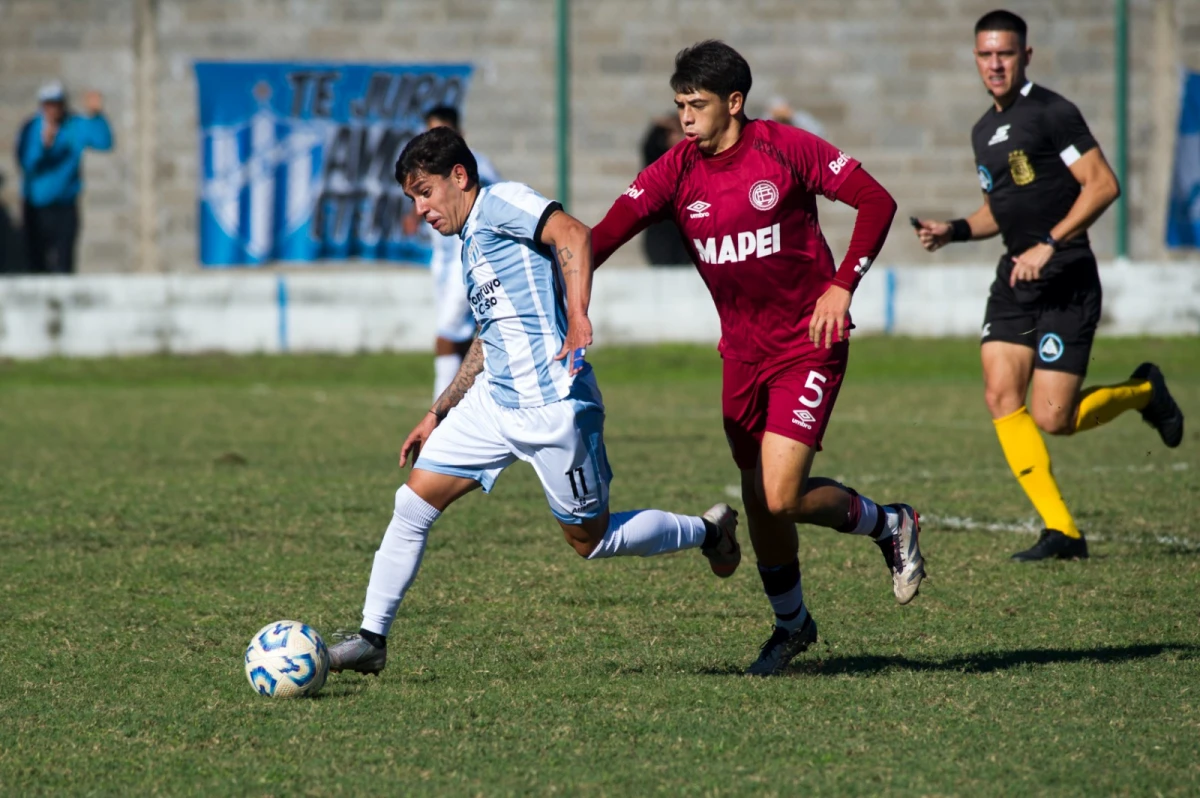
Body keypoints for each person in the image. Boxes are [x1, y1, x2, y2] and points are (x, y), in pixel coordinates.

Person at [327, 126, 740, 676]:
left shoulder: (500, 203)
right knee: (413, 505)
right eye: (412, 198)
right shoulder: (471, 242)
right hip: (495, 403)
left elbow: (573, 233)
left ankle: (710, 532)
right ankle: (371, 640)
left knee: (591, 541)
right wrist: (438, 411)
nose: (421, 208)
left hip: (553, 408)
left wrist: (577, 313)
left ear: (459, 177)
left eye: (425, 192)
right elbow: (489, 335)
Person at [591, 40, 926, 676]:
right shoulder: (676, 169)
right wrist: (563, 282)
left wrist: (842, 284)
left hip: (808, 343)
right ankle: (792, 625)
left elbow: (876, 201)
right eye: (679, 105)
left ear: (734, 103)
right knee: (755, 494)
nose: (685, 117)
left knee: (780, 492)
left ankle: (892, 524)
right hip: (741, 356)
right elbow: (602, 235)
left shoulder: (785, 147)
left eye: (698, 104)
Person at [913, 10, 1184, 562]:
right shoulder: (982, 130)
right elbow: (999, 208)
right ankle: (1063, 532)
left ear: (1025, 56)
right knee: (999, 395)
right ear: (975, 58)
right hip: (1015, 280)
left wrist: (1050, 243)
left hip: (1067, 278)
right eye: (986, 54)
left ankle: (1144, 391)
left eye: (1005, 54)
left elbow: (1103, 185)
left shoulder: (1053, 113)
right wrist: (956, 230)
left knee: (1053, 418)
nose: (995, 64)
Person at [418, 105, 502, 402]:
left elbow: (490, 200)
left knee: (445, 336)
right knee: (464, 339)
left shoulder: (477, 164)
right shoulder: (428, 167)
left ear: (459, 134)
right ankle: (473, 403)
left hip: (465, 259)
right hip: (441, 261)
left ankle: (438, 410)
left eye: (443, 132)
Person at [15, 81, 113, 274]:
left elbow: (104, 142)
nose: (53, 109)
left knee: (64, 262)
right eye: (49, 104)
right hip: (37, 206)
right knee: (36, 263)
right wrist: (44, 146)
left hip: (65, 205)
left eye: (57, 104)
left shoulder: (74, 125)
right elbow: (26, 163)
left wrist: (97, 116)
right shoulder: (32, 128)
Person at [639, 115, 691, 265]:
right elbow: (649, 146)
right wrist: (661, 125)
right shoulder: (657, 162)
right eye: (676, 134)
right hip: (661, 230)